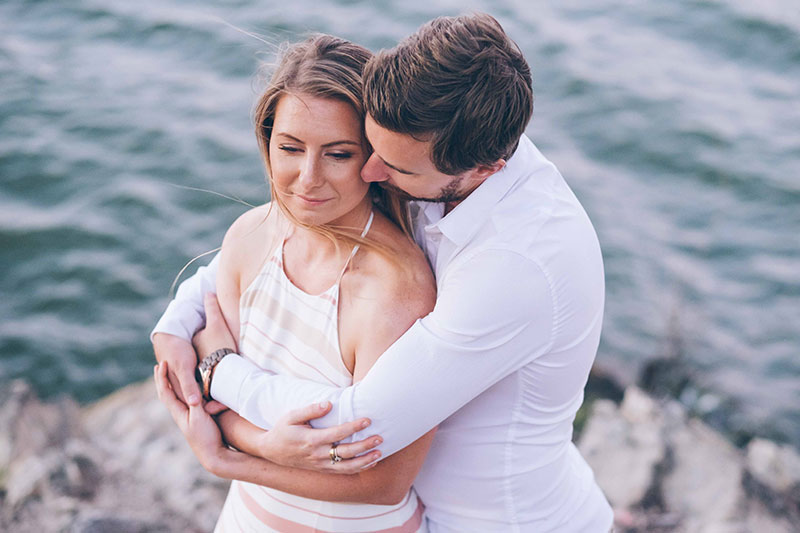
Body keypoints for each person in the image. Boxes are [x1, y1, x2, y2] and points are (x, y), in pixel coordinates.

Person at [153, 13, 614, 532]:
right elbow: (272, 239)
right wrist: (179, 315)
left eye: (391, 167)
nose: (373, 174)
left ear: (486, 168)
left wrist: (217, 371)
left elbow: (354, 427)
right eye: (372, 148)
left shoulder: (513, 269)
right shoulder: (448, 144)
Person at [154, 34, 437, 532]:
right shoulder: (251, 235)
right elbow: (210, 382)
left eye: (338, 154)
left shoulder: (397, 290)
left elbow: (384, 480)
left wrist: (228, 459)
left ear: (374, 160)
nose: (307, 178)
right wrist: (263, 443)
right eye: (289, 147)